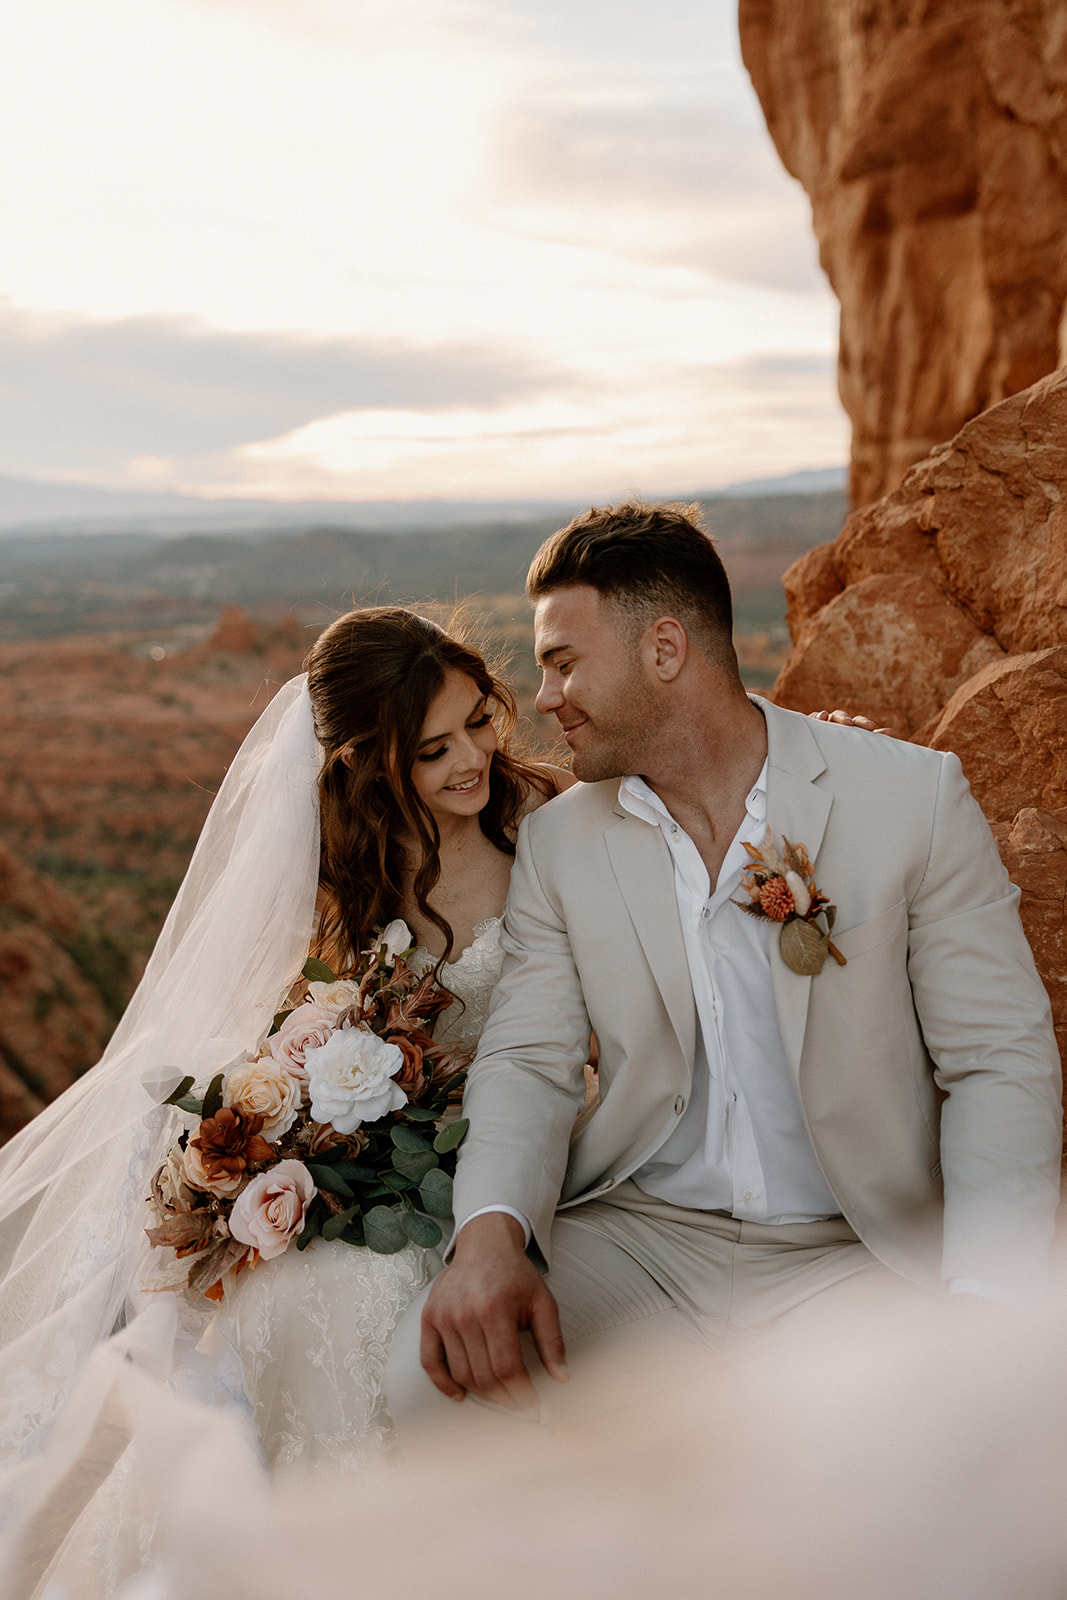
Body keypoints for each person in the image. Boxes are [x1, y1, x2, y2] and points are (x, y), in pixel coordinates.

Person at [386, 499, 1063, 1433]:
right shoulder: (558, 845)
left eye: (563, 662)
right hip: (639, 1238)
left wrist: (989, 1301)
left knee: (915, 1459)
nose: (543, 700)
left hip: (855, 1250)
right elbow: (529, 1063)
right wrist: (490, 1238)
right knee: (433, 1382)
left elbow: (998, 1057)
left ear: (665, 651)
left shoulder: (910, 800)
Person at [0, 607, 571, 1592]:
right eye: (430, 750)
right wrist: (291, 1134)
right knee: (300, 1286)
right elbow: (299, 1021)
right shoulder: (349, 873)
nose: (472, 758)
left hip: (524, 1154)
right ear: (371, 763)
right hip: (394, 1172)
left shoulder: (552, 830)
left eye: (479, 720)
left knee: (342, 1294)